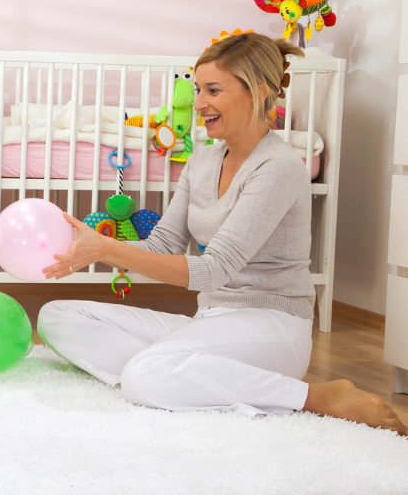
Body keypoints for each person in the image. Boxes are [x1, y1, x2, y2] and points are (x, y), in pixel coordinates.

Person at [39, 32, 407, 436]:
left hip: (273, 326)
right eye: (198, 90)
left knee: (144, 375)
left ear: (258, 93)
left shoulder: (279, 168)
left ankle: (313, 397)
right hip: (211, 319)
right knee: (56, 316)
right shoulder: (203, 160)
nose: (198, 104)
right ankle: (186, 370)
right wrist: (90, 247)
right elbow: (162, 245)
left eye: (213, 90)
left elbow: (214, 271)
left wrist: (108, 250)